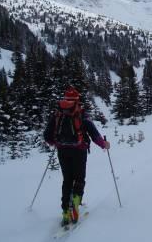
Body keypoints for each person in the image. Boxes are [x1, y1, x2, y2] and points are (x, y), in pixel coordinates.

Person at [44, 86, 110, 226]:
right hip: (79, 151)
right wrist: (104, 144)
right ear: (77, 99)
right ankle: (75, 204)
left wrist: (55, 143)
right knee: (79, 179)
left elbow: (47, 136)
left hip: (62, 151)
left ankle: (65, 212)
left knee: (67, 180)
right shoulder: (81, 114)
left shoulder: (58, 114)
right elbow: (94, 134)